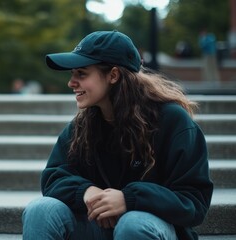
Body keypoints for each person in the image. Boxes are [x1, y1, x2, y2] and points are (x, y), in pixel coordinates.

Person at [22, 30, 213, 240]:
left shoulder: (172, 121)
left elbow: (194, 202)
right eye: (72, 74)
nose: (71, 82)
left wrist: (129, 199)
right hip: (97, 227)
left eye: (82, 73)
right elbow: (53, 176)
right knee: (40, 210)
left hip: (153, 228)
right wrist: (87, 192)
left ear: (113, 75)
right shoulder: (82, 125)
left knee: (133, 225)